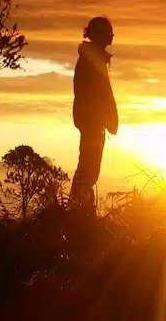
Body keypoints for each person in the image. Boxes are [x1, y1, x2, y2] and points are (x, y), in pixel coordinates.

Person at [70, 16, 119, 211]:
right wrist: (99, 118)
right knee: (88, 167)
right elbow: (91, 94)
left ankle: (80, 208)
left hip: (93, 122)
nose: (112, 37)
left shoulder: (93, 58)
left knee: (90, 166)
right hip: (92, 122)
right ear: (98, 34)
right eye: (109, 33)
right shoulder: (90, 61)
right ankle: (79, 209)